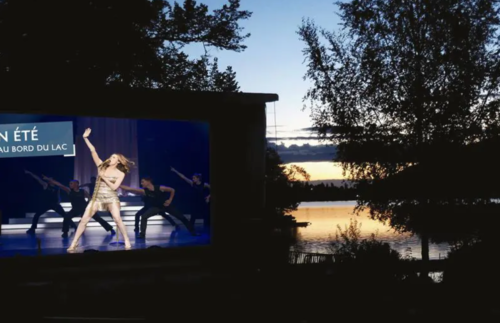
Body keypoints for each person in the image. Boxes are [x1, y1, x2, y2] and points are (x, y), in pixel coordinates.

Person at [67, 128, 133, 251]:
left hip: (111, 197)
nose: (110, 158)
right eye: (110, 156)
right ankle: (74, 242)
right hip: (97, 198)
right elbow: (93, 151)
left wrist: (104, 178)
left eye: (113, 157)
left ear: (117, 161)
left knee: (117, 220)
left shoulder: (120, 173)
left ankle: (127, 239)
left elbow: (114, 187)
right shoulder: (101, 166)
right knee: (84, 220)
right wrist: (85, 138)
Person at [120, 176, 198, 239]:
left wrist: (170, 200)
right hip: (156, 207)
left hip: (166, 205)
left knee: (181, 217)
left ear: (148, 181)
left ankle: (193, 232)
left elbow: (172, 190)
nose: (141, 183)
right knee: (144, 216)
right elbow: (130, 189)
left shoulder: (160, 188)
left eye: (142, 181)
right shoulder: (144, 191)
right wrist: (118, 185)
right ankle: (142, 234)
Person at [42, 176, 116, 237]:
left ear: (76, 184)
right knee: (67, 217)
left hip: (85, 208)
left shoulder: (83, 191)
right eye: (69, 183)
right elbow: (59, 185)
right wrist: (48, 179)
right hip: (75, 209)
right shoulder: (69, 191)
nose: (70, 185)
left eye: (71, 183)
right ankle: (65, 232)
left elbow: (90, 198)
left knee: (98, 218)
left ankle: (110, 229)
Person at [25, 170, 76, 237]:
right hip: (47, 204)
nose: (51, 180)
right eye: (50, 179)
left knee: (65, 215)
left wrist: (59, 201)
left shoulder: (57, 187)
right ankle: (32, 229)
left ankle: (74, 226)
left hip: (55, 204)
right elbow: (37, 179)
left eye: (52, 179)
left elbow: (58, 195)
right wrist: (30, 173)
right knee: (36, 215)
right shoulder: (46, 185)